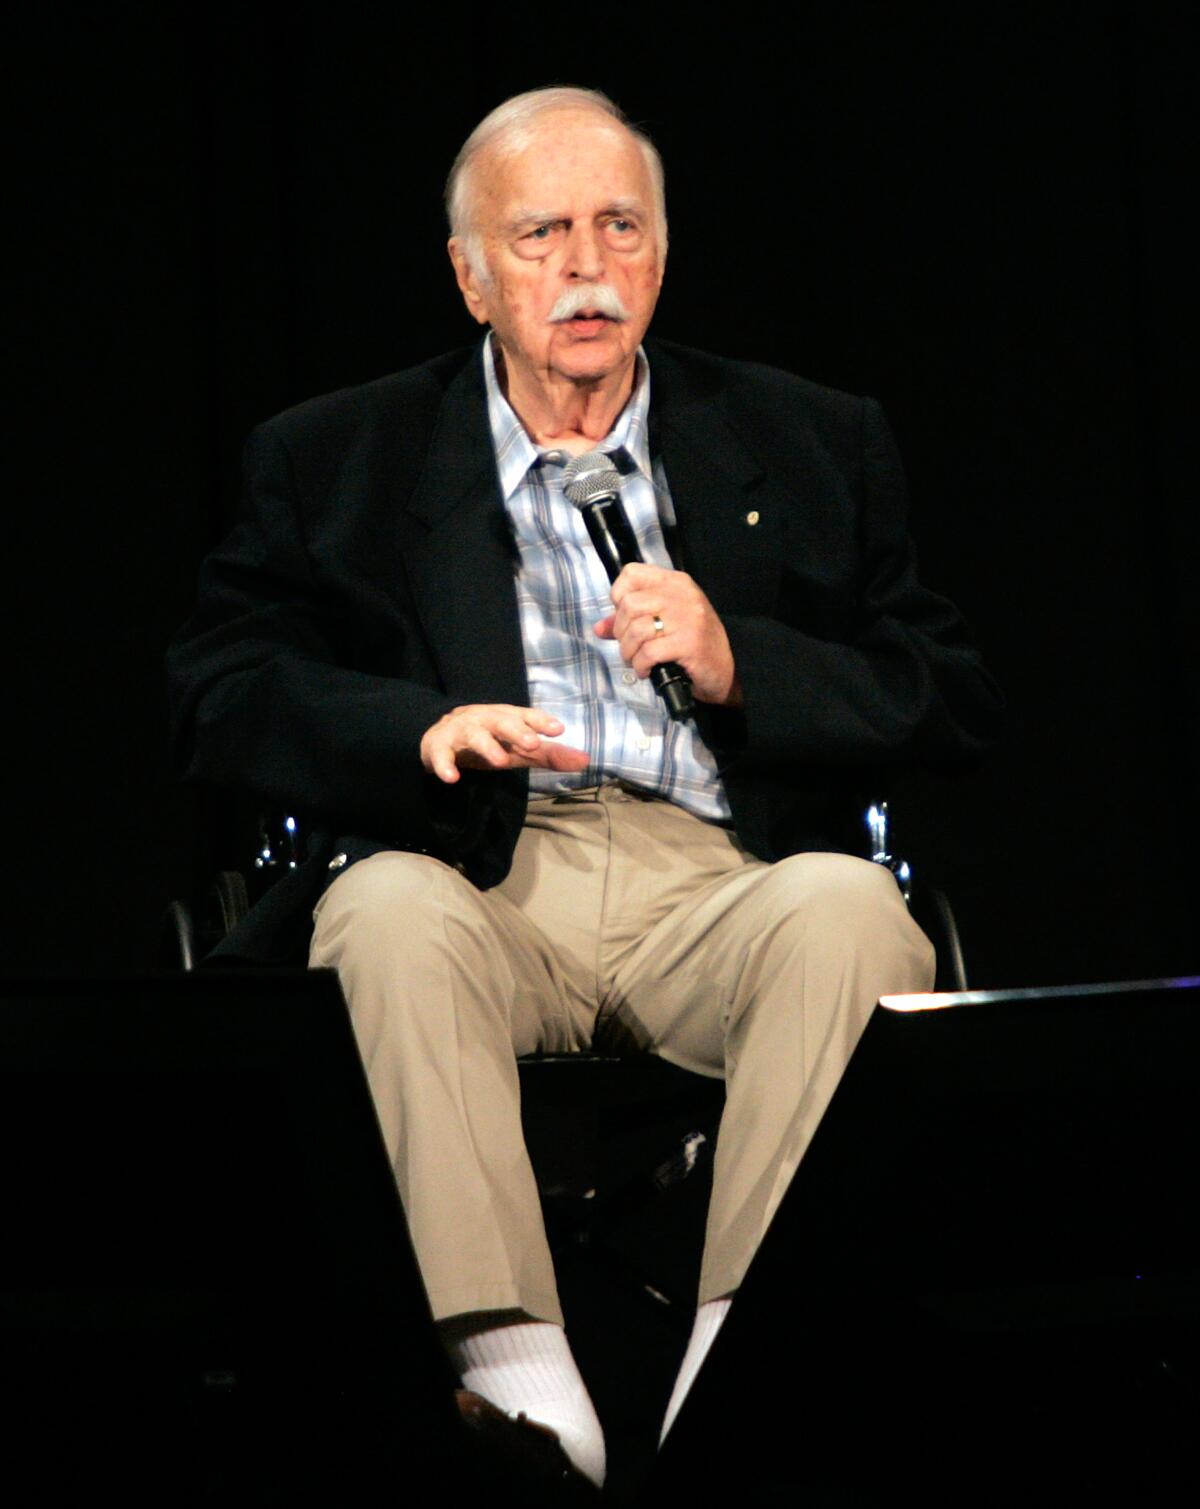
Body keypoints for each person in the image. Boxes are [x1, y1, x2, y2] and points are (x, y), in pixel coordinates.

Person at [168, 85, 1002, 1490]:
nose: (585, 268)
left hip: (715, 881)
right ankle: (522, 1394)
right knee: (382, 917)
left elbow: (948, 690)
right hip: (482, 872)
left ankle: (738, 1381)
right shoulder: (336, 456)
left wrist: (747, 665)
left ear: (662, 257)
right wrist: (417, 729)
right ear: (471, 272)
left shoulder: (810, 438)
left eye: (620, 228)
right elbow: (220, 688)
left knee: (851, 913)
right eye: (541, 233)